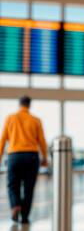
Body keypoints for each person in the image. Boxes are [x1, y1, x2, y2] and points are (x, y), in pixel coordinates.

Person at [0, 95, 48, 223]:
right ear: (29, 105)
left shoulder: (11, 118)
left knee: (12, 185)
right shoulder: (35, 120)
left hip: (14, 155)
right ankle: (25, 216)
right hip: (31, 156)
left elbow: (3, 139)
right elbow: (42, 141)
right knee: (29, 187)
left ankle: (15, 206)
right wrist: (45, 158)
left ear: (19, 104)